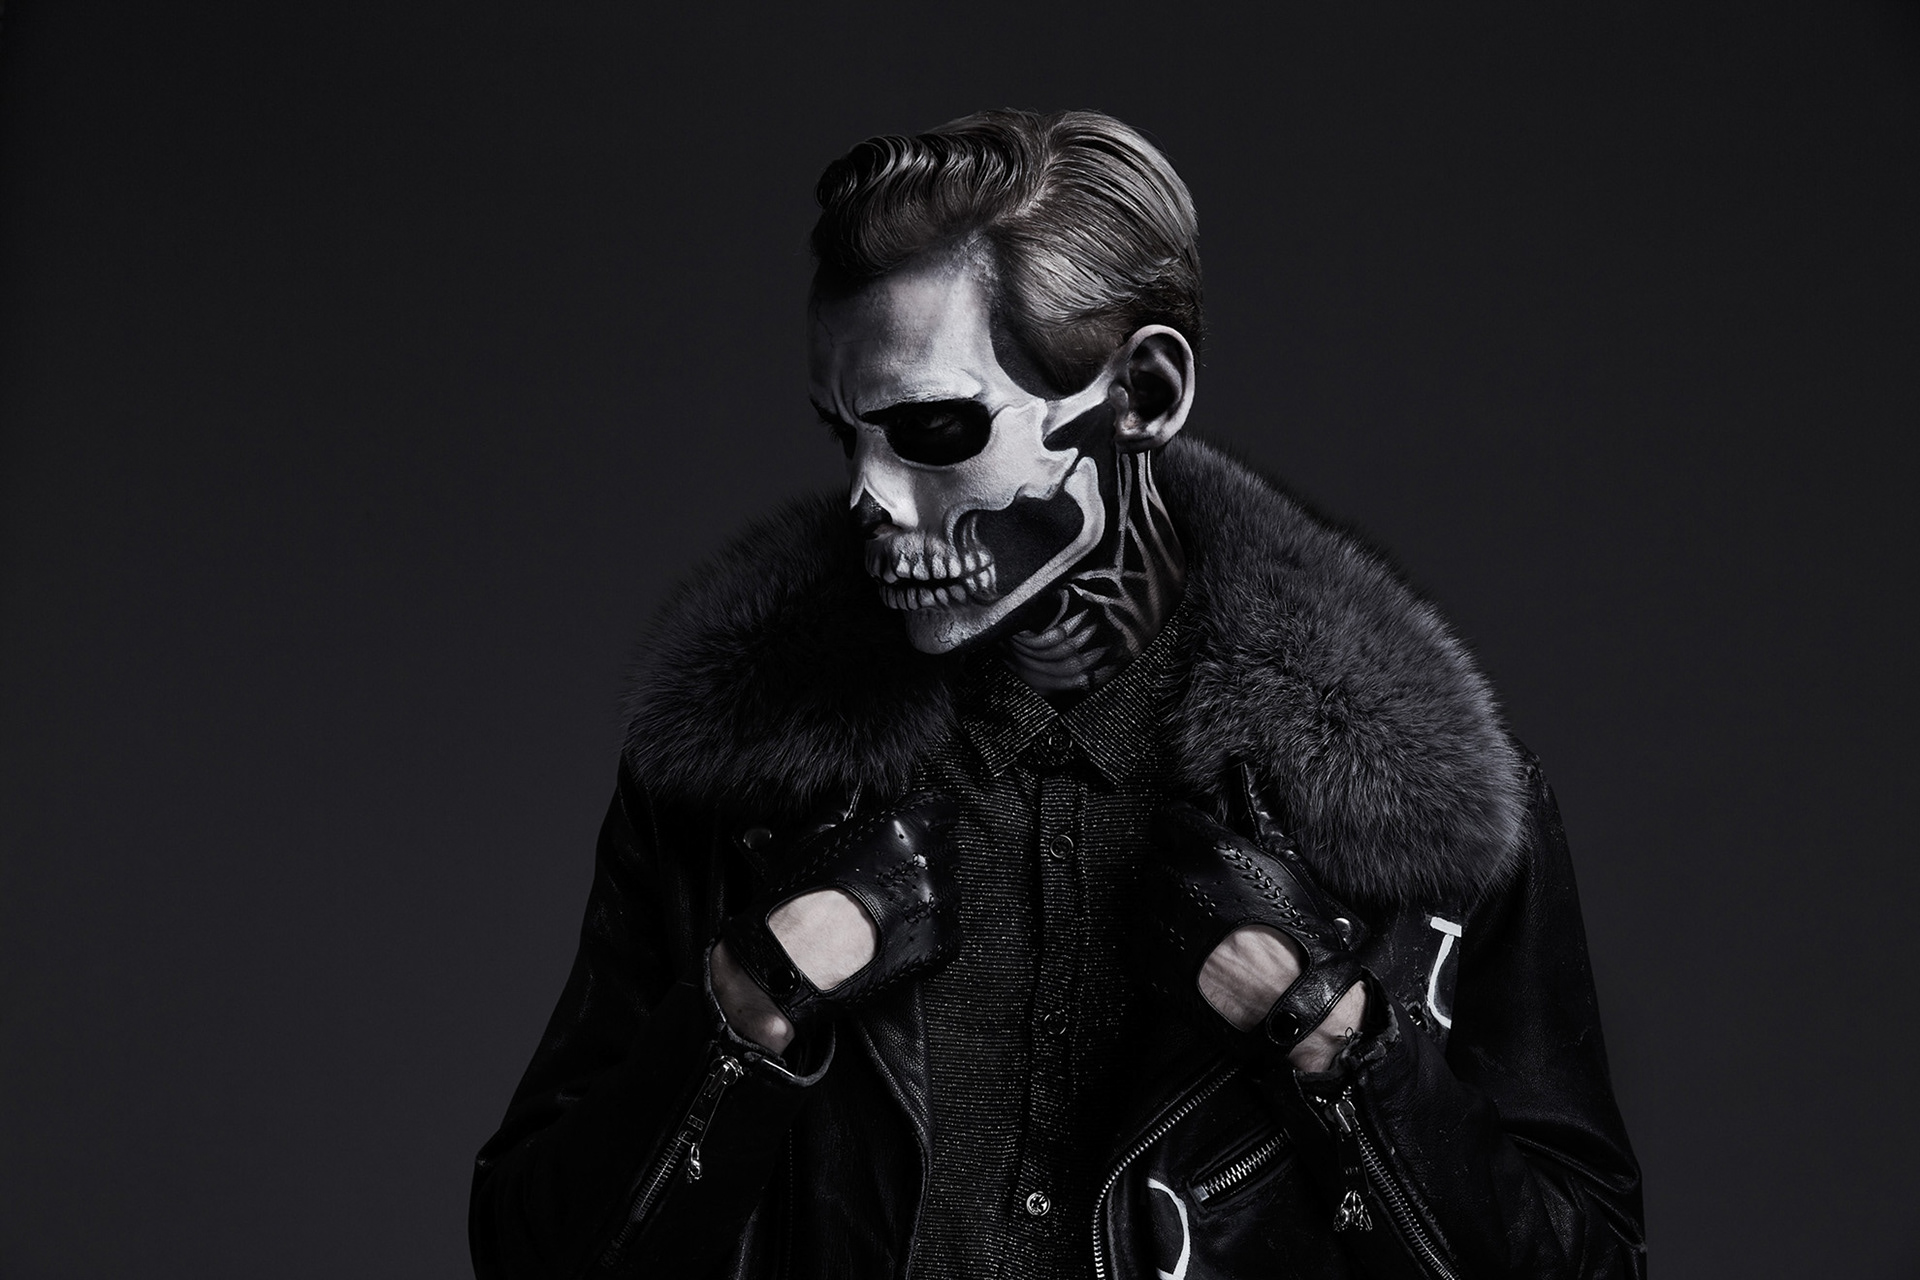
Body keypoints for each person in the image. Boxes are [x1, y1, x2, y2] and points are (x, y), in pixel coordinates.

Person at [469, 108, 1645, 1280]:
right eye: (845, 438)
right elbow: (531, 1250)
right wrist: (750, 1004)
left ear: (1142, 393)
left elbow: (1590, 1261)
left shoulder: (1411, 816)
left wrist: (1330, 1033)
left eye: (934, 429)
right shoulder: (735, 795)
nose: (870, 499)